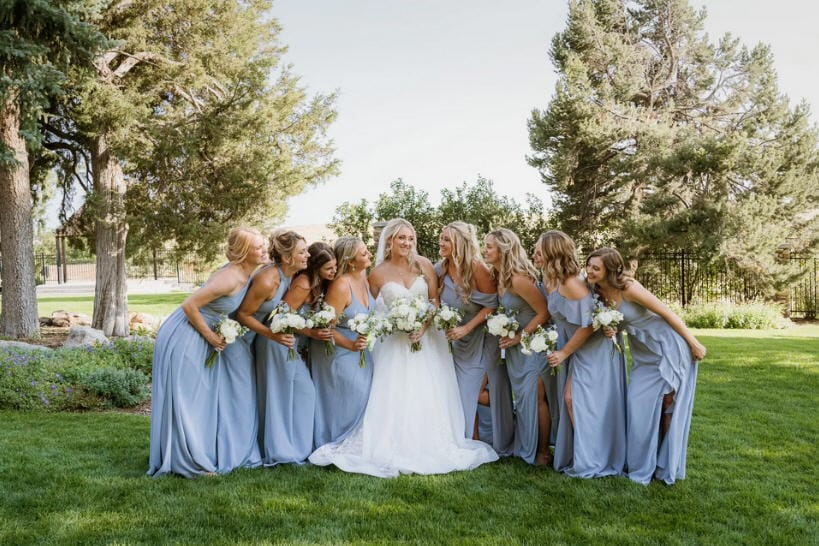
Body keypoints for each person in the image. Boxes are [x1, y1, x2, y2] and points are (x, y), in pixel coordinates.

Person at [309, 218, 498, 477]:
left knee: (430, 391)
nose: (407, 243)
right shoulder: (376, 274)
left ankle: (433, 440)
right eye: (401, 238)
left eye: (410, 238)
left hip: (428, 342)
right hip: (394, 345)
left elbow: (434, 300)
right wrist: (393, 324)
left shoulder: (424, 265)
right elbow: (369, 309)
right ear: (390, 241)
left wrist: (423, 326)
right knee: (394, 393)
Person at [148, 227, 267, 477]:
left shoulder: (247, 274)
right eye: (258, 247)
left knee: (199, 400)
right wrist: (211, 336)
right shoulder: (230, 277)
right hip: (187, 335)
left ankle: (195, 453)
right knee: (187, 400)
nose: (264, 250)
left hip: (199, 334)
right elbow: (189, 305)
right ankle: (188, 462)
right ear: (244, 252)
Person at [586, 247, 705, 485]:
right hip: (644, 355)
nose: (589, 271)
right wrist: (611, 329)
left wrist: (693, 342)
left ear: (610, 270)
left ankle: (665, 466)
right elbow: (621, 323)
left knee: (668, 404)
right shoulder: (596, 293)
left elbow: (667, 313)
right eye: (588, 265)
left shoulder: (628, 288)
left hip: (667, 347)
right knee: (638, 406)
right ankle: (640, 465)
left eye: (595, 268)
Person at [540, 231, 627, 478]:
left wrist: (564, 353)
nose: (536, 253)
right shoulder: (554, 279)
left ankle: (592, 459)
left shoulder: (572, 283)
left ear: (551, 252)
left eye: (540, 249)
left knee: (575, 400)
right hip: (578, 348)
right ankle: (586, 454)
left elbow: (589, 325)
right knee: (575, 401)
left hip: (592, 349)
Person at [236, 230, 315, 466]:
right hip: (247, 340)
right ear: (287, 257)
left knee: (305, 391)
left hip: (271, 338)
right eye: (302, 252)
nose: (307, 255)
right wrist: (272, 334)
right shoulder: (268, 279)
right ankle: (277, 450)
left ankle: (296, 447)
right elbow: (243, 315)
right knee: (272, 395)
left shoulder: (292, 275)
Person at [436, 221, 515, 453]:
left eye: (447, 239)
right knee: (459, 392)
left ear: (460, 243)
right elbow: (435, 296)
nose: (441, 243)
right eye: (441, 238)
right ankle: (474, 439)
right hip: (458, 341)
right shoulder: (440, 269)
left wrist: (467, 328)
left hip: (482, 338)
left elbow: (493, 305)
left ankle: (506, 418)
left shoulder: (477, 268)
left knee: (468, 391)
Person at [484, 228, 551, 466]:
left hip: (532, 345)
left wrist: (520, 336)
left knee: (536, 397)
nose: (484, 250)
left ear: (503, 250)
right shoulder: (498, 276)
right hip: (515, 348)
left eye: (489, 246)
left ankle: (543, 452)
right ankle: (525, 446)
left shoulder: (518, 279)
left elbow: (544, 312)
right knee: (523, 399)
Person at [310, 237, 375, 447]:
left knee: (364, 395)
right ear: (351, 261)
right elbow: (325, 327)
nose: (370, 255)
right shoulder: (341, 285)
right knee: (351, 394)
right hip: (338, 350)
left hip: (361, 349)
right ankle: (336, 440)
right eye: (364, 253)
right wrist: (351, 345)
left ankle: (358, 441)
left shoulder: (363, 277)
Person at [281, 242, 337, 368]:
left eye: (335, 265)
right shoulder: (304, 284)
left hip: (302, 347)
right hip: (286, 344)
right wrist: (311, 333)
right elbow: (282, 317)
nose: (334, 271)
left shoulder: (323, 282)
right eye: (328, 268)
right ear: (316, 268)